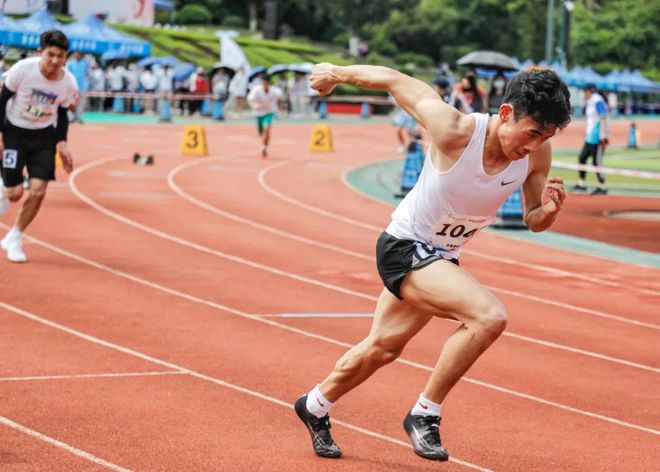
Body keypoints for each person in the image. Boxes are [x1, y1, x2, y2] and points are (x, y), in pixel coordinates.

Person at [295, 63, 570, 461]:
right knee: (488, 317)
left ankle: (314, 404)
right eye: (531, 133)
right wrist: (334, 72)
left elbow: (533, 220)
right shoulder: (455, 130)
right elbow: (395, 81)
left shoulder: (536, 153)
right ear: (506, 113)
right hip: (404, 247)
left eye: (544, 137)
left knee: (383, 348)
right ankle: (425, 413)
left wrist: (547, 212)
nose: (532, 146)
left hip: (441, 258)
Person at [0, 30, 78, 263]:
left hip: (44, 136)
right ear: (40, 52)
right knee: (14, 194)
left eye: (61, 56)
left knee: (38, 190)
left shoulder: (68, 82)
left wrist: (62, 144)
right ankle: (4, 184)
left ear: (66, 57)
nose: (55, 61)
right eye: (51, 55)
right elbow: (2, 99)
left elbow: (63, 113)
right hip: (14, 131)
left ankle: (15, 236)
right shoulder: (22, 70)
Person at [572, 83, 609, 195]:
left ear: (588, 91)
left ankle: (602, 187)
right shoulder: (591, 101)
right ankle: (581, 184)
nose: (583, 95)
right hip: (590, 137)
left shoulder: (597, 100)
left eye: (584, 92)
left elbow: (603, 116)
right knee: (582, 158)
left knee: (596, 162)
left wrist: (602, 134)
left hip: (597, 137)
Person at [247, 75, 282, 158]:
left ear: (268, 83)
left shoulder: (274, 91)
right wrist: (254, 105)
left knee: (267, 130)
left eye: (266, 83)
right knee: (261, 133)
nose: (264, 85)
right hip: (258, 113)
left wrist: (280, 108)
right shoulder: (256, 90)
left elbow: (279, 98)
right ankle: (264, 142)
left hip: (269, 112)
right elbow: (249, 99)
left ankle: (264, 147)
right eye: (263, 83)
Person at [66, 50, 89, 122]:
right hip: (73, 86)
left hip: (83, 86)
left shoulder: (85, 63)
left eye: (78, 54)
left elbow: (87, 74)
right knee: (72, 102)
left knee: (81, 102)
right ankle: (71, 117)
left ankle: (79, 117)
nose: (76, 56)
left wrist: (87, 83)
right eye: (75, 54)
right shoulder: (70, 63)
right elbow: (67, 74)